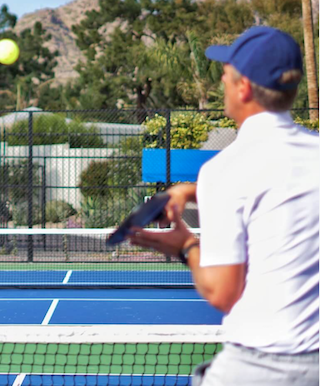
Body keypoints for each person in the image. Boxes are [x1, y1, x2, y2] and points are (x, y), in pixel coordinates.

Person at [129, 26, 319, 385]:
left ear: (243, 87)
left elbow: (223, 292)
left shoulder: (226, 170)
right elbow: (278, 187)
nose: (222, 80)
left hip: (261, 368)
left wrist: (186, 247)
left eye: (226, 74)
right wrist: (193, 189)